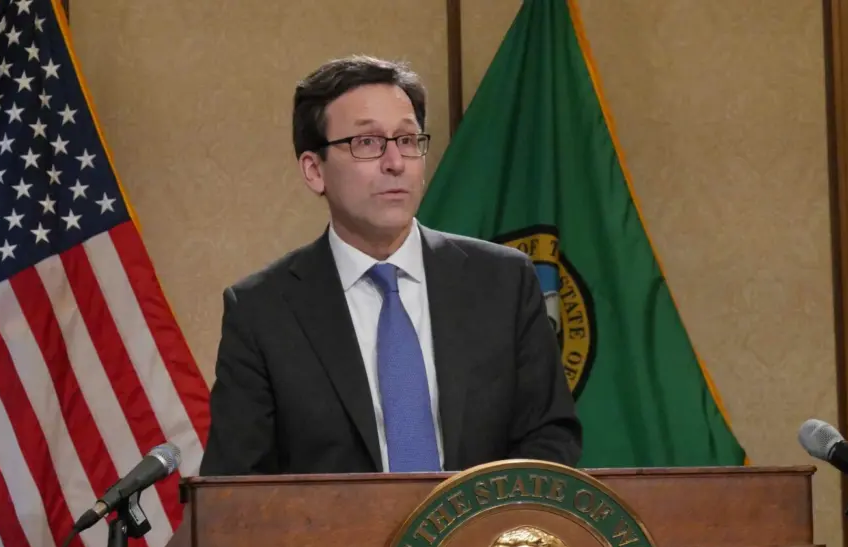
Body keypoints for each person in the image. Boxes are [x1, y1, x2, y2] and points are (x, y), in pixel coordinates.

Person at [199, 55, 582, 476]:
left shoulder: (503, 282)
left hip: (483, 538)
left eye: (406, 140)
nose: (395, 162)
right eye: (367, 143)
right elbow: (236, 484)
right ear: (314, 171)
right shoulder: (262, 311)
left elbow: (549, 437)